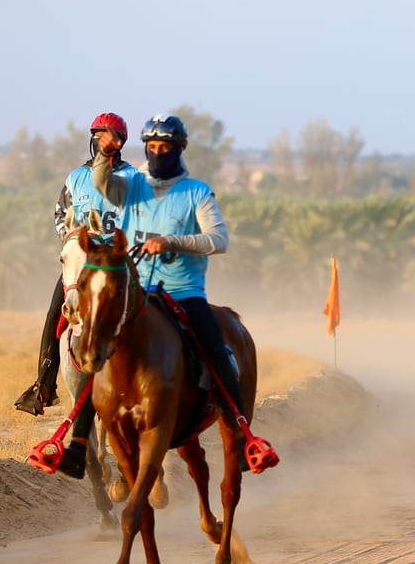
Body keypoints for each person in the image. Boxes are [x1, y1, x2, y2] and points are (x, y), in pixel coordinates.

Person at [51, 113, 276, 478]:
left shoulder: (197, 192)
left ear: (179, 149)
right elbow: (103, 186)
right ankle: (77, 440)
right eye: (152, 147)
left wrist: (171, 241)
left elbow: (218, 240)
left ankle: (241, 432)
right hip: (137, 288)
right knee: (98, 342)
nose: (158, 153)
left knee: (217, 347)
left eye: (165, 147)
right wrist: (103, 157)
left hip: (182, 290)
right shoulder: (135, 185)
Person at [14, 112, 135, 416]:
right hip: (81, 262)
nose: (102, 143)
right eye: (98, 137)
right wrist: (71, 242)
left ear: (119, 143)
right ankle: (43, 386)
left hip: (116, 262)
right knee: (56, 312)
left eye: (109, 138)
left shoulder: (133, 179)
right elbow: (60, 214)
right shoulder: (75, 178)